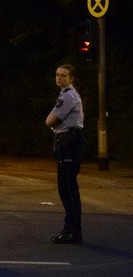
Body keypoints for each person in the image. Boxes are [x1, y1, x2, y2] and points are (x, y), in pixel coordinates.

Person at [45, 64, 85, 244]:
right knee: (69, 188)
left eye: (63, 75)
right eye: (57, 75)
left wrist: (51, 122)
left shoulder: (68, 96)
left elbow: (50, 120)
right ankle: (74, 230)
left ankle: (72, 231)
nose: (59, 78)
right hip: (68, 143)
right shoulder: (66, 95)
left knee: (67, 189)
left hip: (69, 144)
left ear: (71, 78)